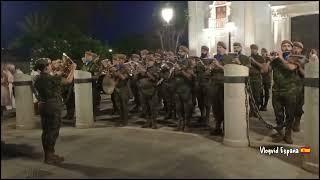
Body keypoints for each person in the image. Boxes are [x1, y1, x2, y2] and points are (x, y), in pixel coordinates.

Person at [33, 58, 76, 164]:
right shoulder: (50, 78)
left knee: (46, 131)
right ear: (46, 67)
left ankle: (48, 154)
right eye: (49, 64)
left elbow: (56, 76)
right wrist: (73, 69)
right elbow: (68, 80)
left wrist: (61, 70)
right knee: (53, 131)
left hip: (43, 105)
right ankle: (49, 156)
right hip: (52, 106)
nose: (51, 65)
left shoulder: (37, 78)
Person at [267, 40, 298, 144]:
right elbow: (264, 70)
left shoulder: (294, 58)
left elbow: (290, 68)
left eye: (288, 46)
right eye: (284, 46)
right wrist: (269, 60)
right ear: (281, 48)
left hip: (290, 91)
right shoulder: (275, 60)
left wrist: (280, 58)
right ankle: (280, 133)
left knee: (290, 114)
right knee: (278, 114)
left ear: (291, 48)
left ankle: (288, 134)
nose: (286, 47)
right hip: (277, 91)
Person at [173, 45, 194, 132]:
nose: (179, 53)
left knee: (187, 107)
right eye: (179, 51)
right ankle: (180, 123)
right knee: (178, 107)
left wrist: (180, 70)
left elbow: (190, 77)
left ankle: (187, 125)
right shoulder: (177, 61)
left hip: (186, 88)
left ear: (186, 52)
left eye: (181, 51)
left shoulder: (189, 62)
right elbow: (174, 74)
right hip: (177, 87)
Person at [137, 54, 161, 129]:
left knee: (153, 107)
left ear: (153, 61)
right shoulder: (142, 68)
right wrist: (138, 72)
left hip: (152, 91)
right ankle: (148, 121)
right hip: (143, 91)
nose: (148, 62)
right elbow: (135, 78)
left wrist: (146, 72)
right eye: (147, 61)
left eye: (150, 61)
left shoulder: (156, 69)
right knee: (145, 107)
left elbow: (154, 79)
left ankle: (154, 123)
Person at [111, 54, 130, 127]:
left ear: (123, 60)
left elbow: (123, 78)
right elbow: (111, 77)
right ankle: (120, 119)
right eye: (117, 59)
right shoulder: (115, 67)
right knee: (118, 105)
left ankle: (125, 121)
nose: (117, 61)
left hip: (123, 88)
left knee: (124, 105)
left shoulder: (126, 67)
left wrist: (115, 71)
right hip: (116, 88)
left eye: (119, 59)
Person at [291, 41, 306, 132]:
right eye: (294, 47)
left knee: (299, 106)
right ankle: (290, 122)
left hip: (300, 87)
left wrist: (299, 66)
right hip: (289, 86)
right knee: (289, 106)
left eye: (298, 47)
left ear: (301, 49)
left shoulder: (305, 60)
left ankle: (297, 122)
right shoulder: (288, 57)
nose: (295, 49)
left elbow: (306, 75)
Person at [81, 51, 101, 118]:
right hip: (85, 86)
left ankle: (93, 116)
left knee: (93, 103)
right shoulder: (84, 65)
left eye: (87, 56)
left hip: (92, 86)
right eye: (85, 56)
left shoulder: (94, 65)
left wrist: (87, 77)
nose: (85, 57)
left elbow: (96, 76)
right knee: (87, 103)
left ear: (91, 57)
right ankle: (87, 115)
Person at [248, 44, 265, 116]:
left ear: (257, 50)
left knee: (257, 95)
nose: (253, 50)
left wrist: (254, 61)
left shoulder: (260, 58)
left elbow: (262, 67)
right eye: (251, 49)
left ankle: (256, 111)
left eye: (254, 49)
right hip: (250, 78)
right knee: (250, 96)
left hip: (257, 78)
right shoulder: (248, 57)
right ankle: (251, 110)